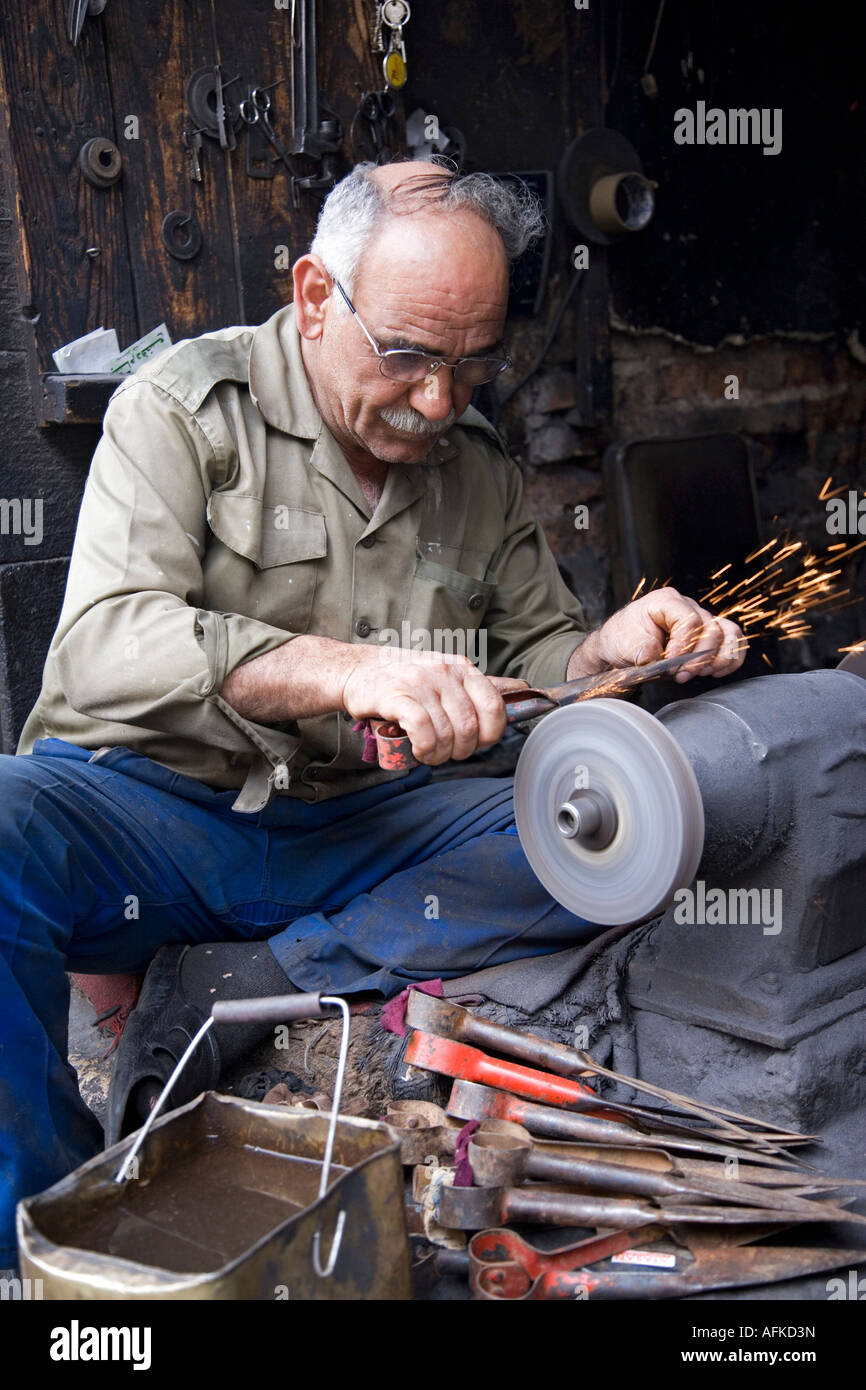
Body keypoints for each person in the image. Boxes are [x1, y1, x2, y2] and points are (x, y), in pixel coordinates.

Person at [0, 161, 745, 1267]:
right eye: (406, 356)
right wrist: (341, 670)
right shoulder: (183, 410)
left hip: (365, 836)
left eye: (469, 363)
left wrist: (602, 657)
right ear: (314, 296)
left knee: (633, 820)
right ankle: (48, 1244)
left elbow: (537, 673)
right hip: (157, 817)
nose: (438, 401)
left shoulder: (475, 470)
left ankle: (282, 970)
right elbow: (105, 643)